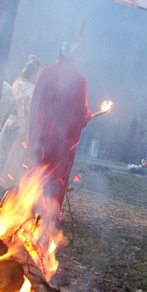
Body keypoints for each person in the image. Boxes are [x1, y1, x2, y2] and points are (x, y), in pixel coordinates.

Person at [25, 33, 92, 221]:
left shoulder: (46, 73)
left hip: (40, 137)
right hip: (61, 143)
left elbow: (35, 104)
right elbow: (79, 114)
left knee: (35, 171)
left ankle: (27, 209)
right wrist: (87, 117)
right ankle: (48, 215)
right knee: (55, 176)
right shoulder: (79, 81)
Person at [0, 55, 43, 193]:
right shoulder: (32, 90)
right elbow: (30, 112)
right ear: (34, 74)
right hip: (21, 129)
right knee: (14, 159)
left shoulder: (16, 84)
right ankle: (6, 188)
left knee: (3, 154)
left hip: (10, 124)